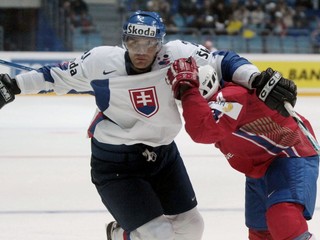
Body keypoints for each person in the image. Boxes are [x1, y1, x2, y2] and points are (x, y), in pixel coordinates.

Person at [0, 10, 297, 240]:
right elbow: (55, 75)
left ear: (161, 42)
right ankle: (124, 233)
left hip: (164, 156)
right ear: (124, 41)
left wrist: (255, 78)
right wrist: (13, 85)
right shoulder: (100, 61)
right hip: (116, 163)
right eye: (134, 42)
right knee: (159, 236)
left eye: (149, 43)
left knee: (192, 228)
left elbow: (224, 61)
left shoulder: (178, 54)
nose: (141, 50)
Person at [165, 57, 319, 240]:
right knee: (260, 231)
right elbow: (221, 56)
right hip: (260, 167)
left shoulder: (232, 97)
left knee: (283, 218)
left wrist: (188, 88)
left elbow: (204, 131)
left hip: (289, 154)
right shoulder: (221, 97)